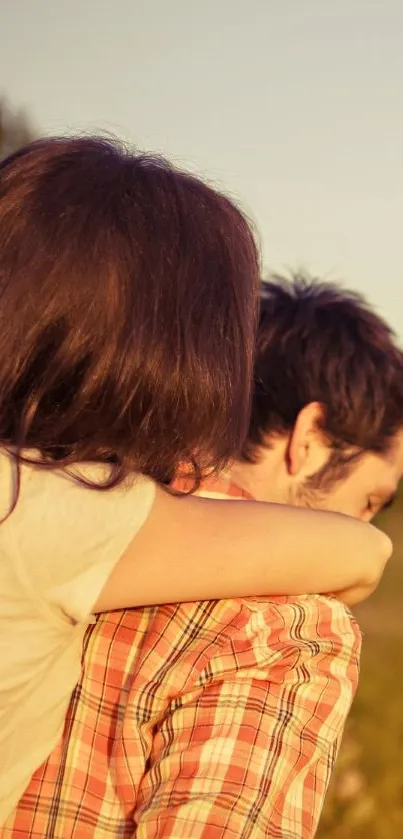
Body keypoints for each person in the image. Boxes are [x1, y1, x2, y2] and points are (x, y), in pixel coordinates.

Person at [0, 139, 391, 825]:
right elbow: (361, 553)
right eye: (370, 500)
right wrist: (361, 554)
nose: (367, 521)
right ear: (307, 437)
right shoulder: (282, 623)